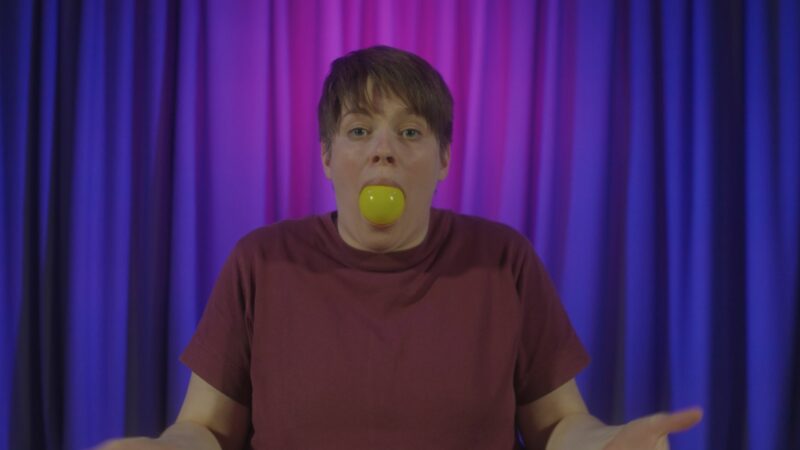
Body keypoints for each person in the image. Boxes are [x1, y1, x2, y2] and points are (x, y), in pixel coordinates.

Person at [97, 46, 702, 450]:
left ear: (442, 161)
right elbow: (204, 429)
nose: (383, 149)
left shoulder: (502, 260)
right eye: (360, 130)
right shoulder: (261, 261)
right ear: (329, 158)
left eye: (410, 132)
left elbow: (560, 424)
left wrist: (602, 445)